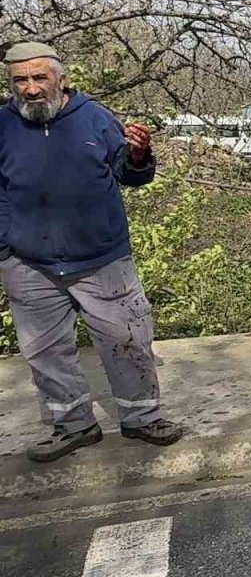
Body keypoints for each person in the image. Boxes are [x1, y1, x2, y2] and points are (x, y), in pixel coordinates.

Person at [0, 42, 184, 463]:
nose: (30, 88)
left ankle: (142, 417)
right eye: (20, 80)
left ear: (61, 79)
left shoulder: (95, 118)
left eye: (39, 77)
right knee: (45, 352)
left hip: (103, 259)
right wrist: (5, 252)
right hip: (29, 265)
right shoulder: (2, 126)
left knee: (128, 340)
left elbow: (129, 173)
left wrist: (139, 155)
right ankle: (73, 425)